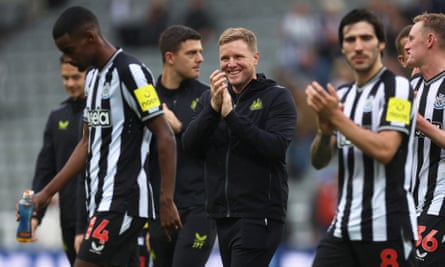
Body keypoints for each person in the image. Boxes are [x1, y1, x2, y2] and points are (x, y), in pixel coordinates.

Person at [17, 6, 181, 267]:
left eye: (70, 50)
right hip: (99, 201)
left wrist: (166, 199)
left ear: (90, 38)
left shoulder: (131, 72)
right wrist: (46, 194)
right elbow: (86, 143)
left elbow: (165, 135)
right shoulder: (92, 78)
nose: (68, 59)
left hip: (123, 201)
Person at [305, 8, 417, 267]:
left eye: (366, 38)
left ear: (380, 43)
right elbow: (319, 161)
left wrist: (338, 119)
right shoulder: (341, 96)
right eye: (350, 40)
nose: (358, 46)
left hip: (385, 226)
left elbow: (386, 150)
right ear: (342, 47)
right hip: (343, 227)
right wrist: (324, 131)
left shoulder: (398, 88)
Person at [182, 27, 297, 266]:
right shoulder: (211, 98)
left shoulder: (277, 97)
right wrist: (213, 110)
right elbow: (190, 145)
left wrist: (232, 117)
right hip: (222, 215)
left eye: (238, 57)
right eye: (225, 58)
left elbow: (275, 147)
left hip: (258, 214)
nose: (231, 64)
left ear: (255, 58)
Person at [148, 24, 216, 267]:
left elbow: (216, 148)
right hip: (158, 213)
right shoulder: (147, 99)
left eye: (200, 51)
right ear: (170, 57)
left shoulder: (208, 97)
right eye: (192, 53)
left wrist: (180, 128)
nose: (200, 58)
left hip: (199, 210)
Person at [31, 56, 87, 266]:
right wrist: (36, 215)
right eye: (65, 78)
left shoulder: (104, 113)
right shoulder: (57, 116)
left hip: (99, 217)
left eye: (76, 77)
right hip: (70, 217)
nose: (70, 84)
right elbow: (45, 169)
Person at [404, 12, 445, 266]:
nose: (406, 45)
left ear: (429, 40)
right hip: (411, 205)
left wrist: (420, 123)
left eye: (411, 38)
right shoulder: (409, 88)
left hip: (440, 201)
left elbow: (415, 123)